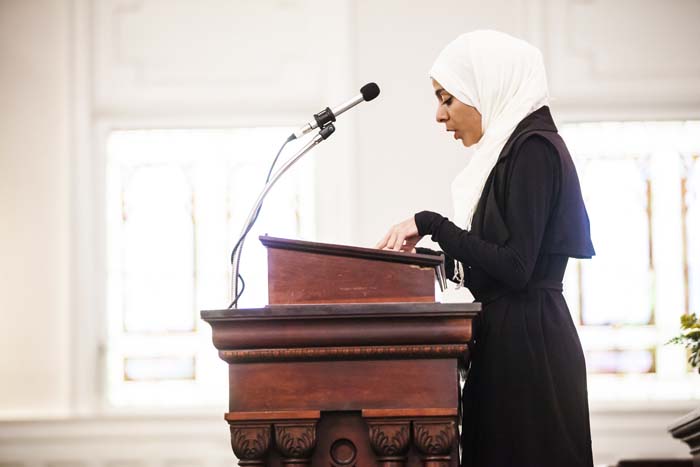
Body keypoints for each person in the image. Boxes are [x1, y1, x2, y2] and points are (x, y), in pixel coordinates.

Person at [375, 30, 596, 467]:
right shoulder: (513, 152)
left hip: (530, 350)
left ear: (487, 86)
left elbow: (516, 267)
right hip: (510, 340)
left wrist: (431, 223)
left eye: (447, 98)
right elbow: (493, 266)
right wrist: (422, 265)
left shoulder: (532, 149)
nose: (440, 116)